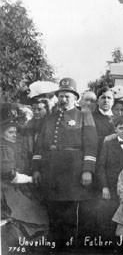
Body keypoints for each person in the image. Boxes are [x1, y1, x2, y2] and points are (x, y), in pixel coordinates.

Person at [32, 77, 97, 247]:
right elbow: (40, 146)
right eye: (61, 96)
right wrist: (37, 169)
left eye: (67, 96)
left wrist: (87, 170)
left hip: (72, 174)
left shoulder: (84, 115)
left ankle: (68, 250)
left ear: (75, 98)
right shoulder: (50, 118)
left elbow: (91, 145)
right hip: (51, 173)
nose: (63, 99)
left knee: (69, 218)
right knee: (53, 217)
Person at [1, 103, 49, 251]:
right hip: (6, 189)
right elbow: (10, 175)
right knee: (32, 214)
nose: (15, 135)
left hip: (14, 187)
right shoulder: (3, 148)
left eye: (15, 132)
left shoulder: (11, 146)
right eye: (10, 132)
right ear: (2, 134)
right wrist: (30, 179)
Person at [95, 115, 123, 239]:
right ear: (115, 129)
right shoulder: (108, 144)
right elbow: (100, 166)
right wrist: (104, 187)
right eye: (121, 128)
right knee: (108, 215)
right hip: (111, 186)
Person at [92, 87, 115, 156]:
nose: (106, 100)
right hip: (97, 155)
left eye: (109, 98)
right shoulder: (91, 117)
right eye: (103, 97)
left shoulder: (118, 119)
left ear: (113, 102)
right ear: (98, 101)